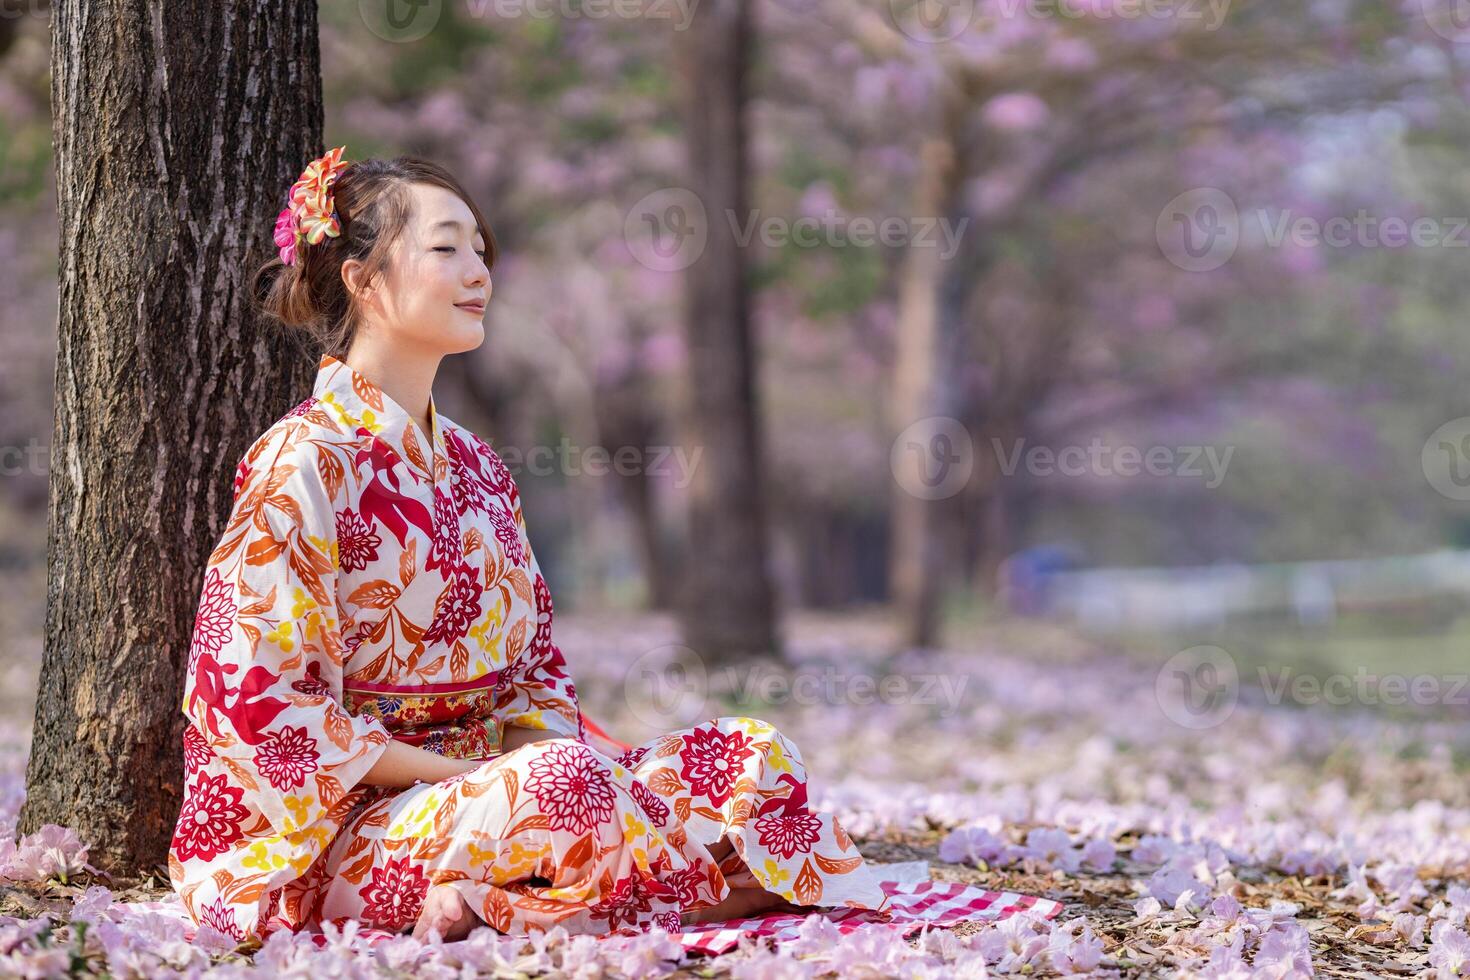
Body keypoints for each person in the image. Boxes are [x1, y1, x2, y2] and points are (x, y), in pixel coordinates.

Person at [168, 147, 890, 943]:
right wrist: (479, 777)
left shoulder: (476, 465)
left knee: (750, 755)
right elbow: (257, 706)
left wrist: (583, 776)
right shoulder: (302, 461)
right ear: (362, 280)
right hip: (337, 827)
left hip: (492, 791)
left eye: (482, 249)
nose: (479, 271)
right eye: (446, 248)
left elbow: (535, 672)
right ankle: (662, 885)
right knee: (561, 788)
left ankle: (543, 889)